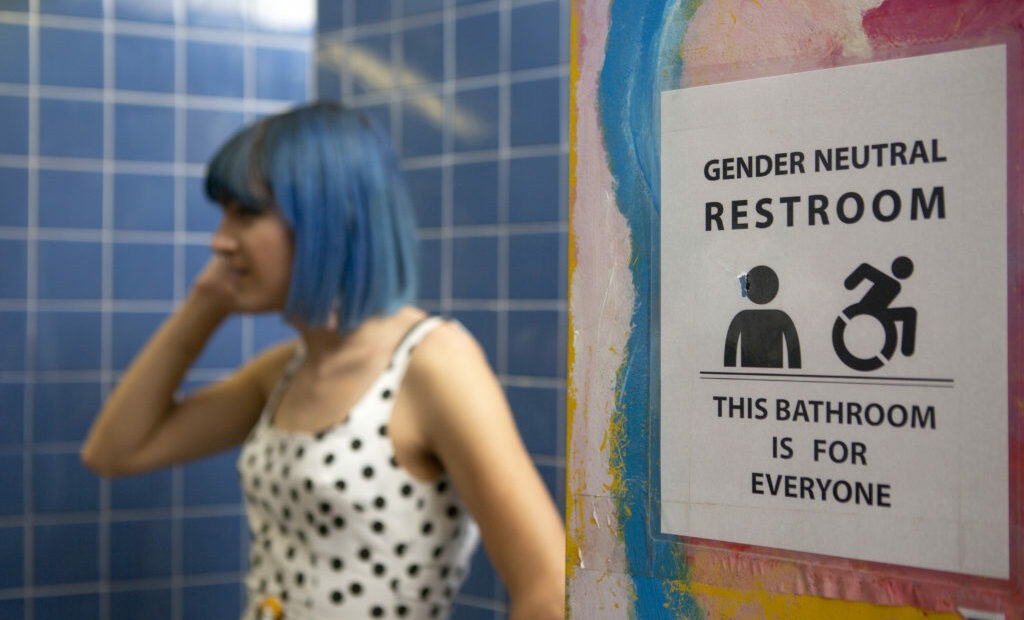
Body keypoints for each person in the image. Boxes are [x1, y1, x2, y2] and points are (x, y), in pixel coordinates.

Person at [81, 101, 565, 620]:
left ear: (326, 220)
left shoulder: (433, 362)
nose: (219, 240)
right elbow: (115, 452)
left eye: (245, 213)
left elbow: (548, 587)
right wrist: (205, 304)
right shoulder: (284, 371)